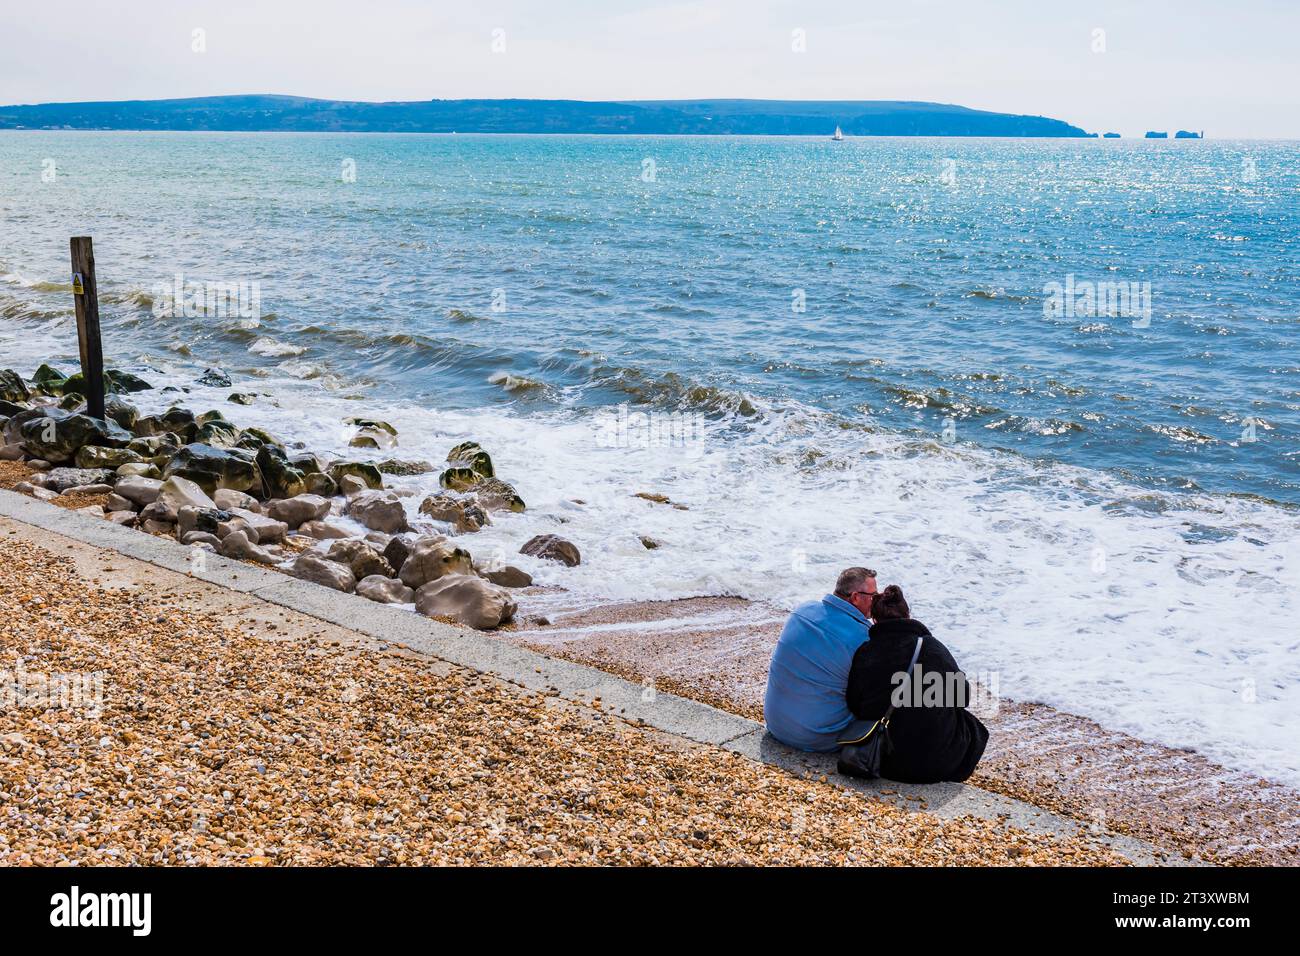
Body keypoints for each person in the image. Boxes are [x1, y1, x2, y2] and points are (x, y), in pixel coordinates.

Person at [844, 585, 988, 783]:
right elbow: (962, 698)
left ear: (875, 620)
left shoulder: (866, 652)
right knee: (970, 724)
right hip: (938, 765)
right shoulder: (933, 648)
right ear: (908, 614)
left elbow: (854, 702)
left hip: (882, 760)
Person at [763, 567, 877, 752]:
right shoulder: (863, 637)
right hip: (817, 737)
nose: (877, 601)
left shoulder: (801, 611)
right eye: (874, 596)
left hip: (776, 723)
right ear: (855, 597)